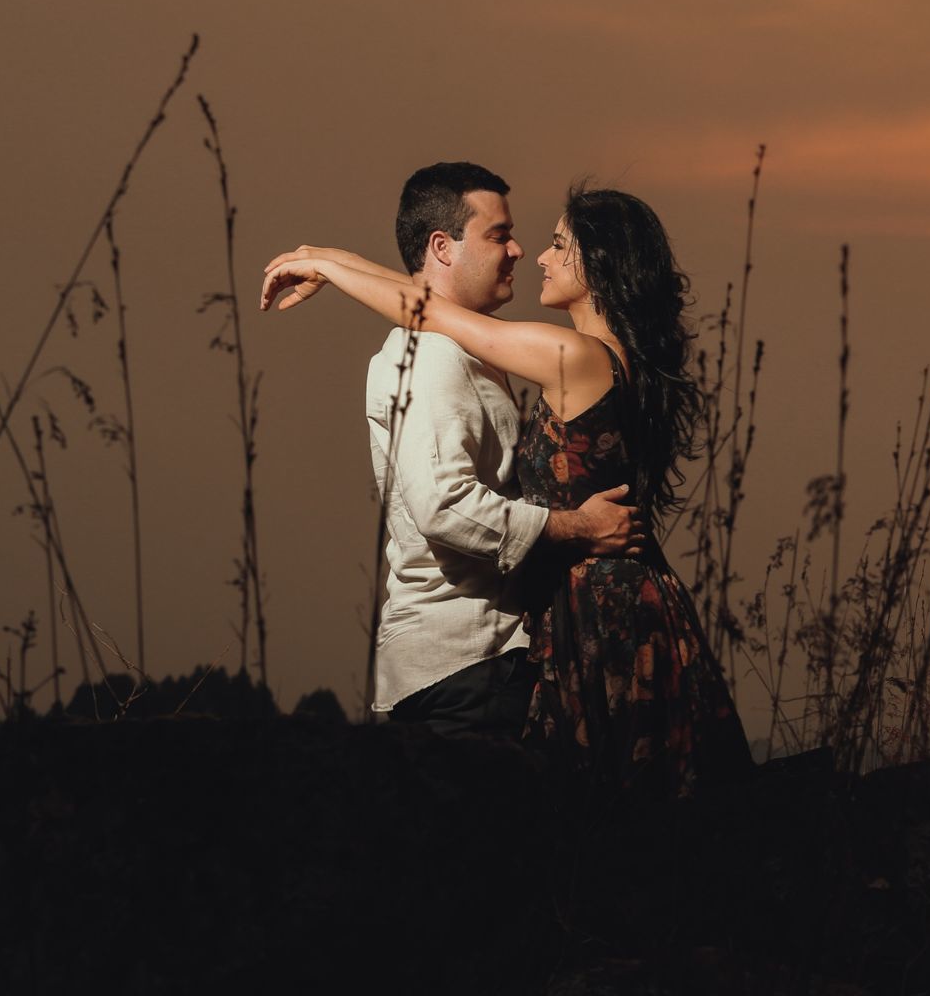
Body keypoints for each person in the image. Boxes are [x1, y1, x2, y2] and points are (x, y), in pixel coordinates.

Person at [264, 178, 752, 795]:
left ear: (595, 263)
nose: (538, 256)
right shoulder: (614, 357)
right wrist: (326, 256)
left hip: (604, 606)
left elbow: (431, 311)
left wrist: (327, 266)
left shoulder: (573, 355)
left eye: (557, 244)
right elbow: (434, 305)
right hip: (614, 597)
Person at [295, 162, 646, 739]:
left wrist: (335, 262)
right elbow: (443, 506)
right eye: (499, 235)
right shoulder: (433, 357)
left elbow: (431, 306)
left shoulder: (474, 346)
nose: (520, 250)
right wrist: (575, 527)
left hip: (494, 655)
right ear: (443, 246)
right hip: (466, 662)